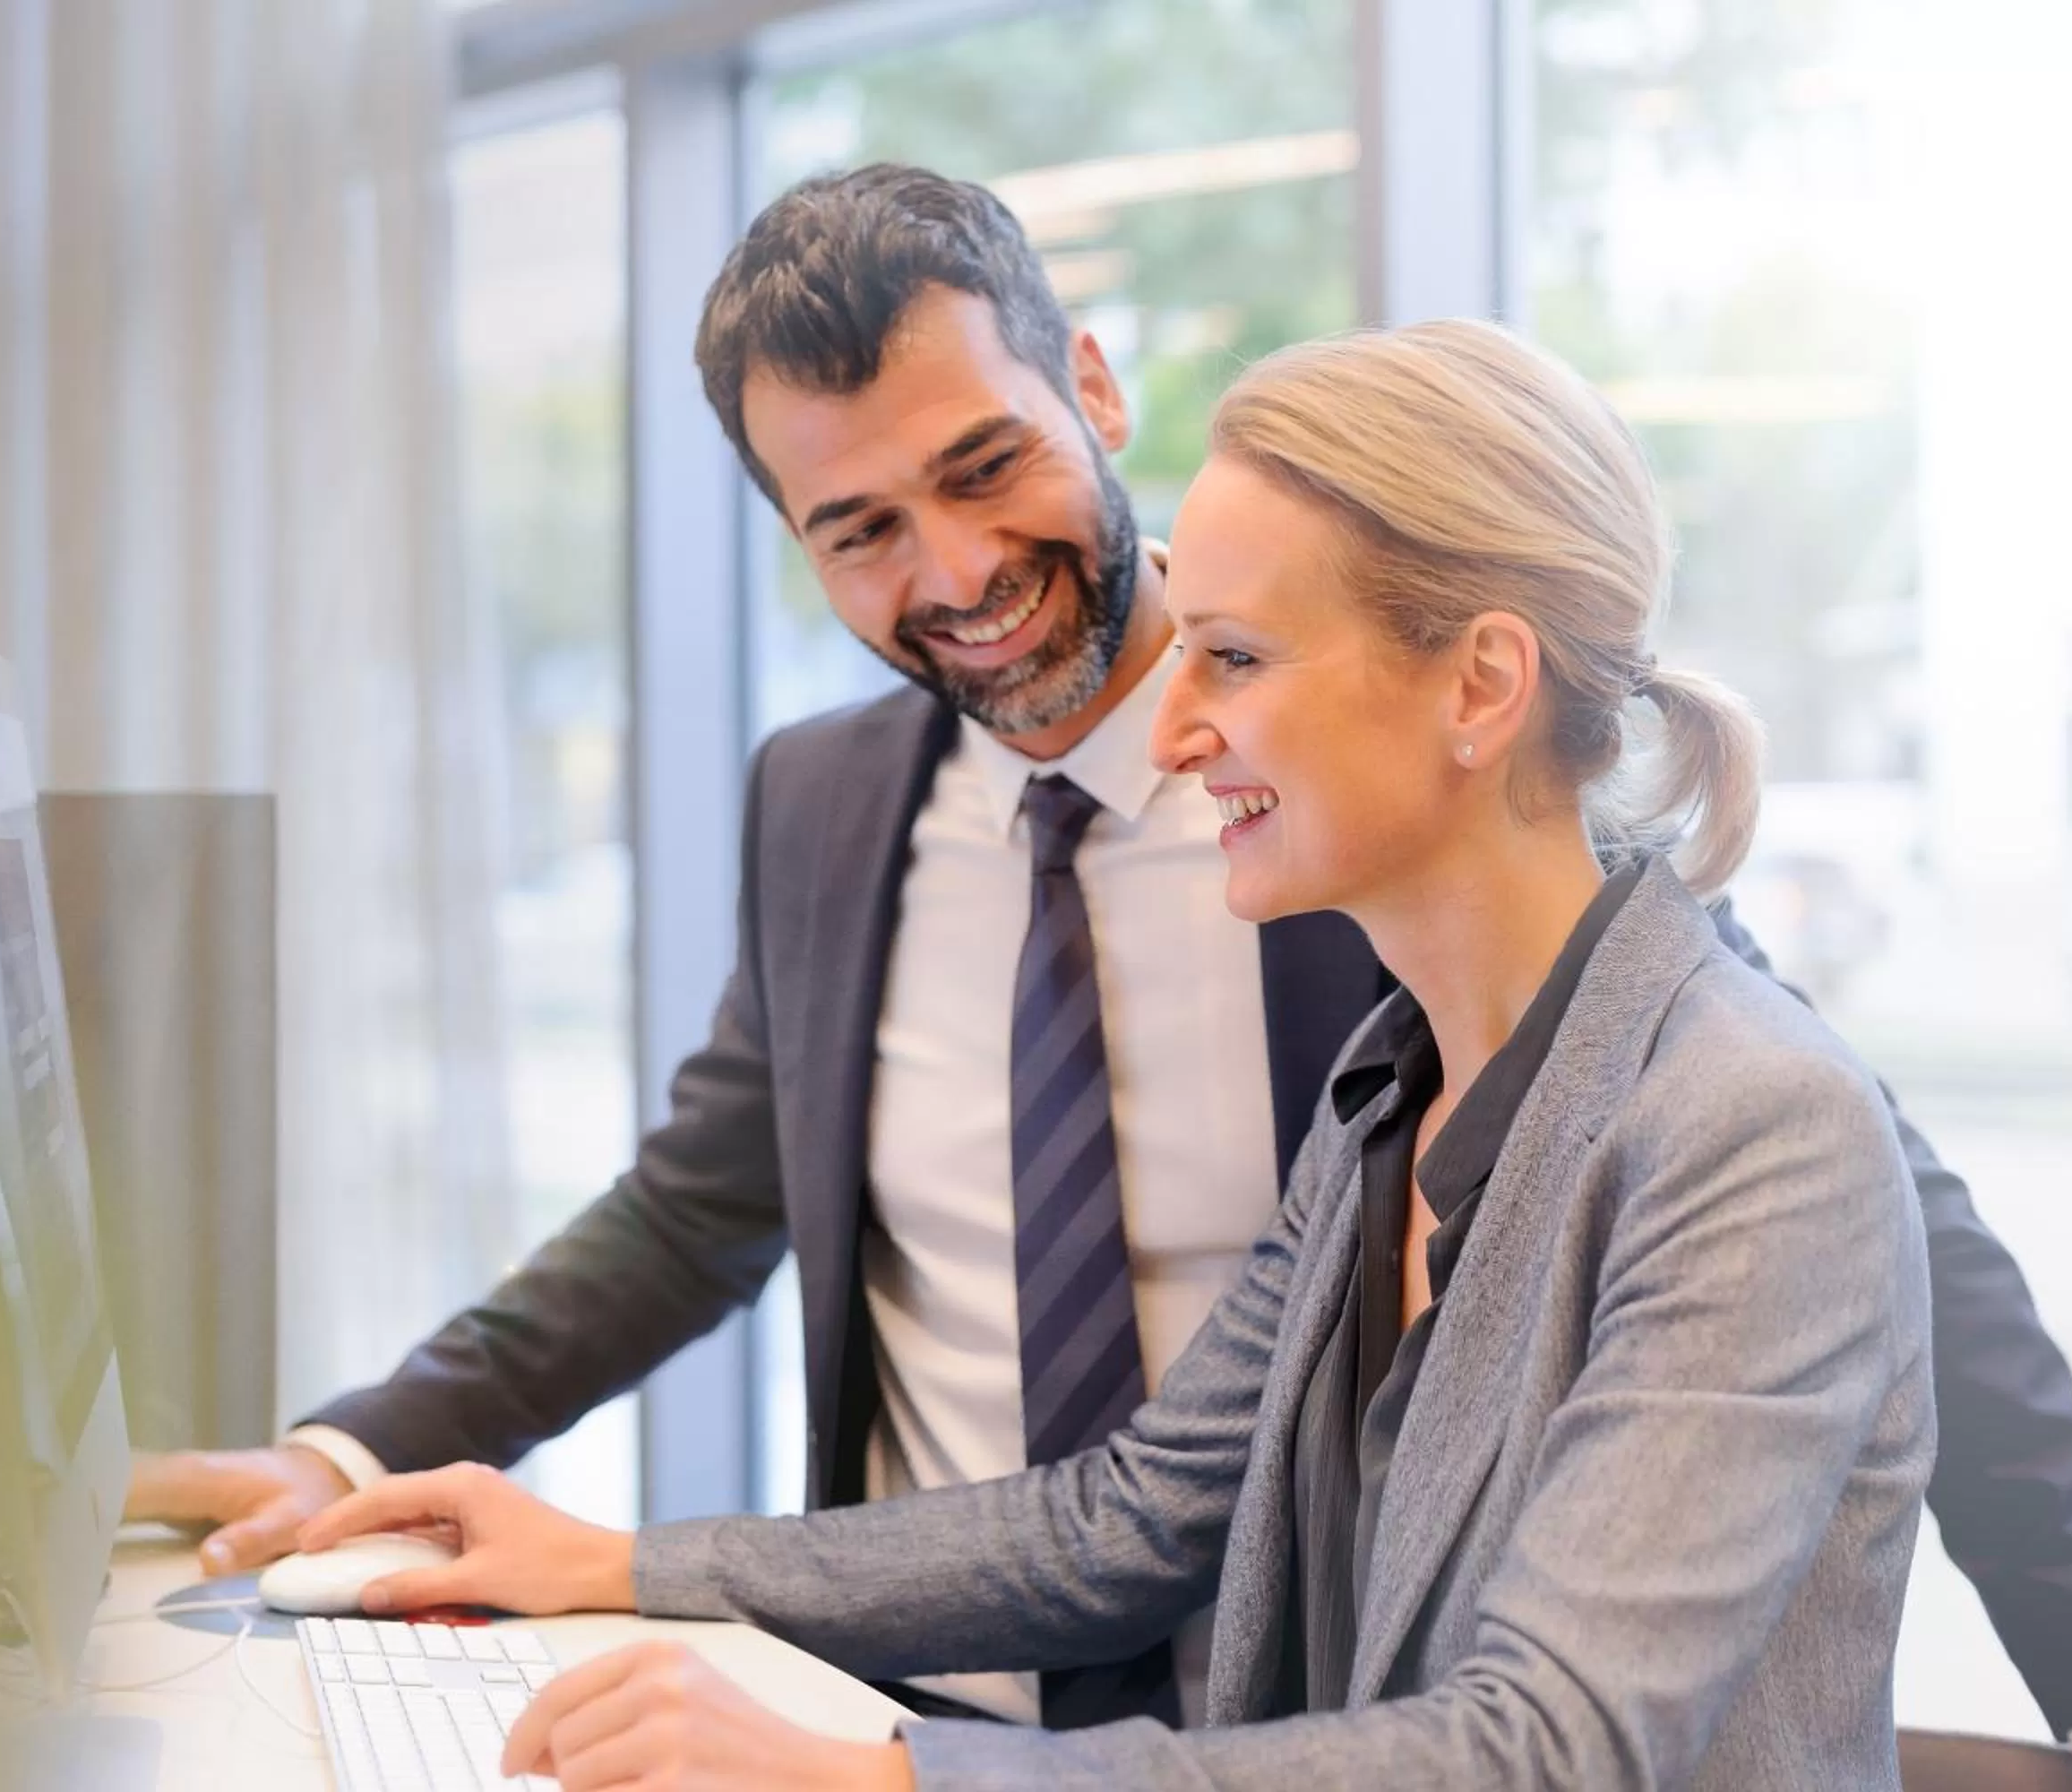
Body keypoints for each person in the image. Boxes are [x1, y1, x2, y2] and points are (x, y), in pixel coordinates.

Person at [128, 165, 2072, 1791]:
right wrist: (558, 1542)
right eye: (860, 527)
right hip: (979, 1711)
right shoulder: (1380, 1062)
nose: (965, 575)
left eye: (988, 468)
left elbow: (1824, 1255)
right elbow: (988, 1408)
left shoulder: (1659, 1041)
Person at [306, 315, 1940, 1789]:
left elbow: (1541, 1751)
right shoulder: (1393, 1088)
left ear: (1482, 683)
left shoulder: (1748, 1123)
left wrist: (878, 1784)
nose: (1168, 730)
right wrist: (614, 1564)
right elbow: (1134, 1515)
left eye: (1233, 658)